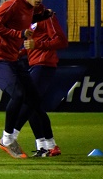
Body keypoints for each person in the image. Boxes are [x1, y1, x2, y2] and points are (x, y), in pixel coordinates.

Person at [0, 0, 53, 159]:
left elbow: (24, 19)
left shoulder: (31, 9)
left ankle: (41, 144)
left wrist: (42, 15)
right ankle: (7, 138)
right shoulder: (11, 6)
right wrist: (19, 34)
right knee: (18, 94)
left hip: (13, 59)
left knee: (33, 99)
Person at [13, 10, 68, 157]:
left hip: (44, 65)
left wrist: (36, 44)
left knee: (29, 102)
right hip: (35, 64)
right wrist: (23, 52)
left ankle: (11, 135)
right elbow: (34, 43)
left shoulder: (47, 16)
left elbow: (61, 41)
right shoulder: (31, 21)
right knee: (34, 106)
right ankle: (47, 146)